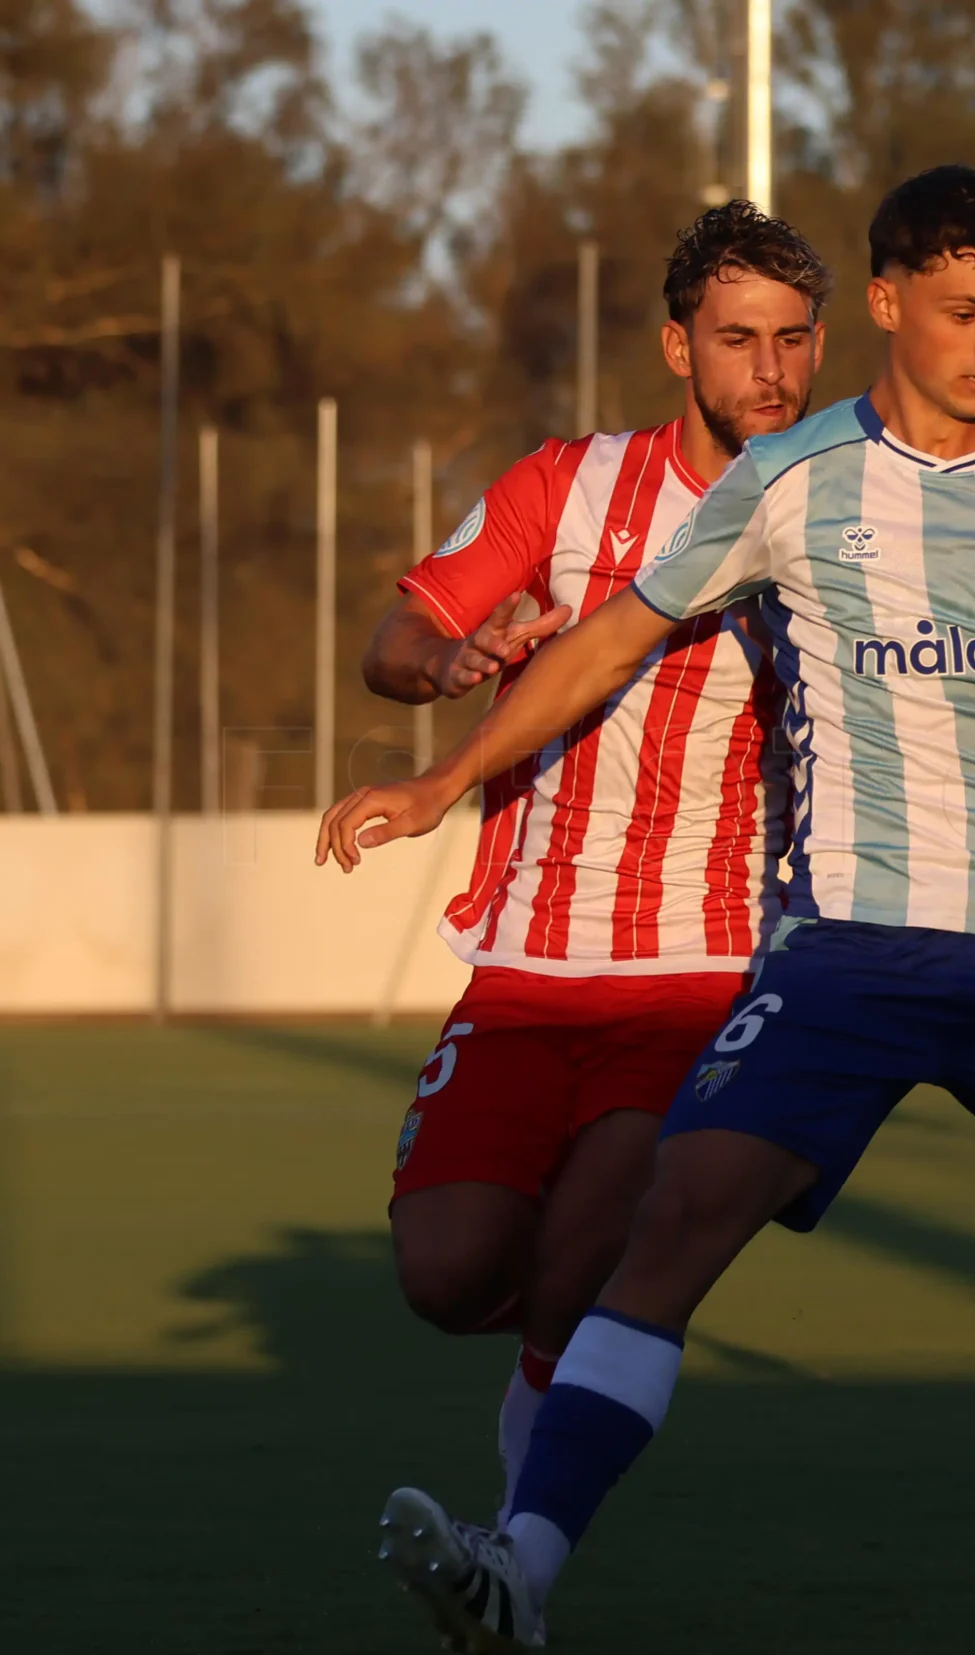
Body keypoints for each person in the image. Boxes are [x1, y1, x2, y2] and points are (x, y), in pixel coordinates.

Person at [317, 164, 975, 1655]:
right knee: (668, 1231)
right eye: (960, 311)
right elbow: (607, 637)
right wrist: (445, 775)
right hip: (845, 954)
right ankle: (520, 1569)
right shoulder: (791, 482)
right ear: (890, 305)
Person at [350, 202, 830, 1527]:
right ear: (679, 348)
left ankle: (524, 1539)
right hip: (524, 959)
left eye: (794, 339)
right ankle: (568, 1355)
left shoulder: (849, 517)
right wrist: (445, 663)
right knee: (445, 1270)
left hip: (703, 967)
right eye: (738, 340)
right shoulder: (566, 487)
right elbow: (398, 633)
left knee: (588, 1252)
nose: (772, 371)